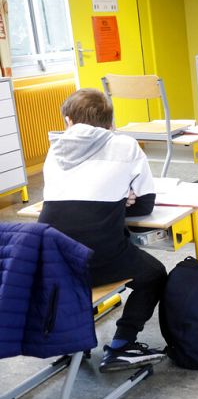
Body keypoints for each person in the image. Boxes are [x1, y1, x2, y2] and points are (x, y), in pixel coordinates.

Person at [38, 88, 167, 372]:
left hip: (51, 263)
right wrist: (121, 199)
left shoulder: (54, 149)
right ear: (110, 122)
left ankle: (73, 341)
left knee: (77, 260)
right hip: (97, 259)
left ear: (69, 121)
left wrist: (114, 198)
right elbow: (145, 204)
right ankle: (122, 345)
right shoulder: (125, 146)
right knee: (154, 274)